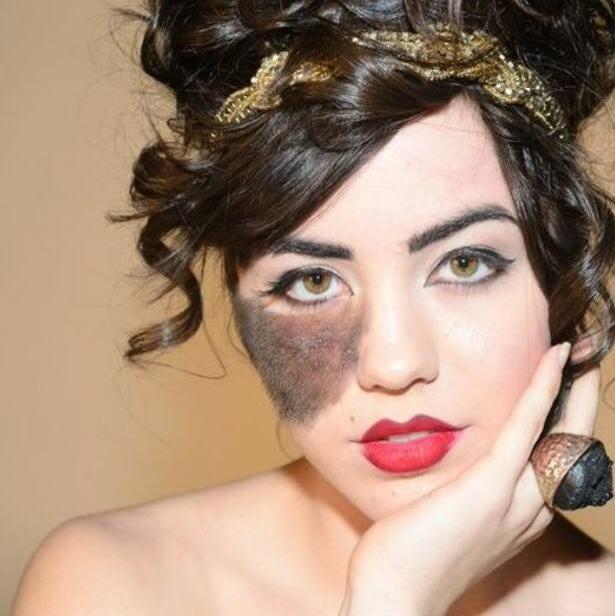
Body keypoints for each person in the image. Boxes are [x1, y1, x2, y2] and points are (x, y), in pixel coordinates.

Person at [11, 1, 615, 614]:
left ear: (563, 278)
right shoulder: (111, 585)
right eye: (314, 281)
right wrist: (392, 597)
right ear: (239, 298)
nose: (394, 364)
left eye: (463, 263)